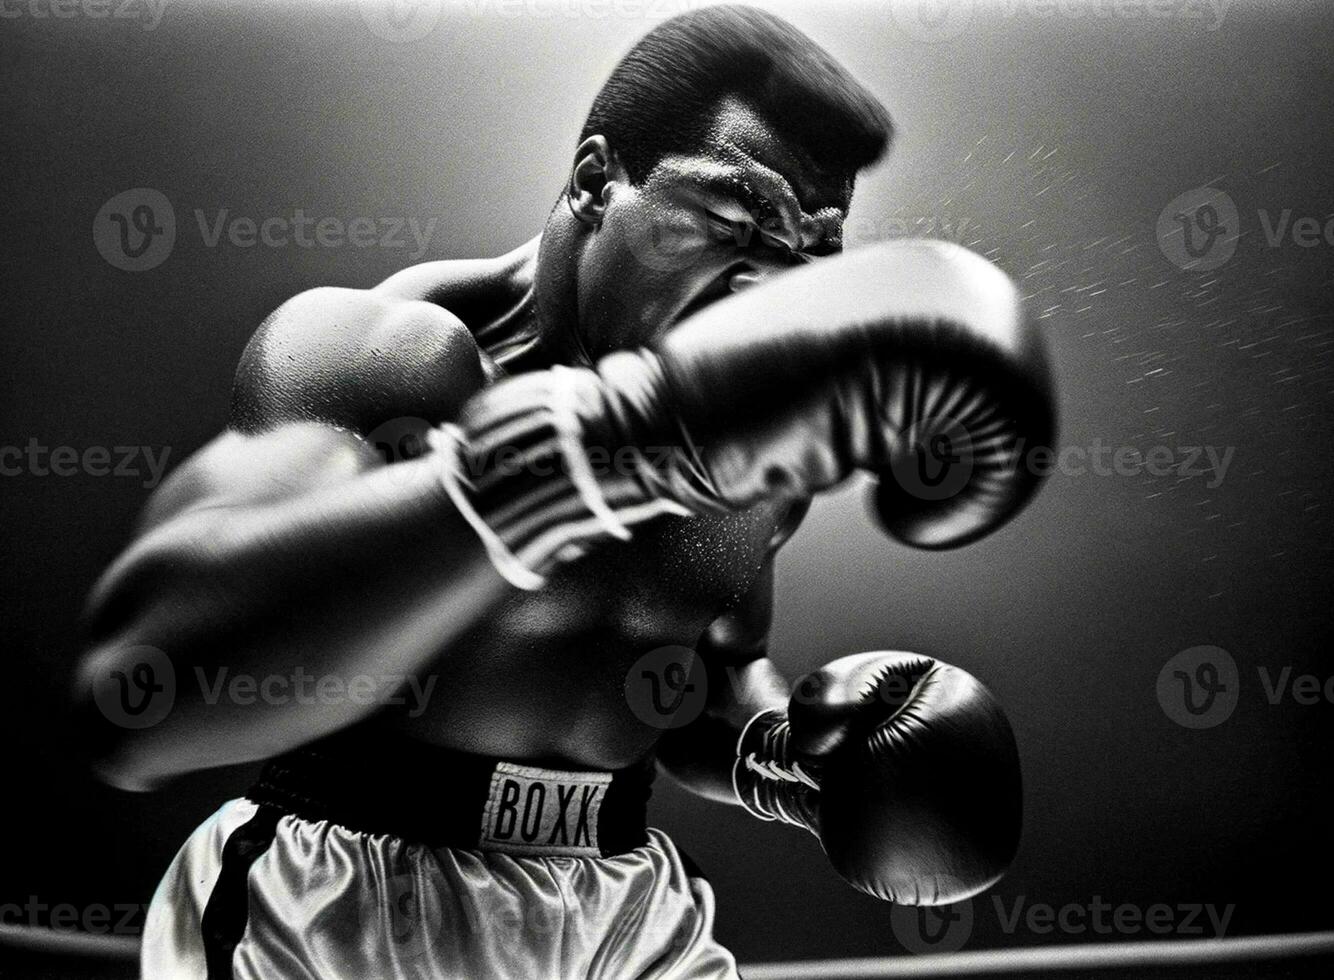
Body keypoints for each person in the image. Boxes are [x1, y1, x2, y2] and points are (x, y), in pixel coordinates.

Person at [75, 7, 1056, 978]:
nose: (770, 280)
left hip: (618, 898)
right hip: (340, 892)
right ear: (596, 179)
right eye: (731, 217)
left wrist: (775, 753)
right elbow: (146, 686)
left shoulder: (756, 449)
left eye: (808, 250)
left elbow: (694, 672)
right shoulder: (390, 357)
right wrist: (588, 454)